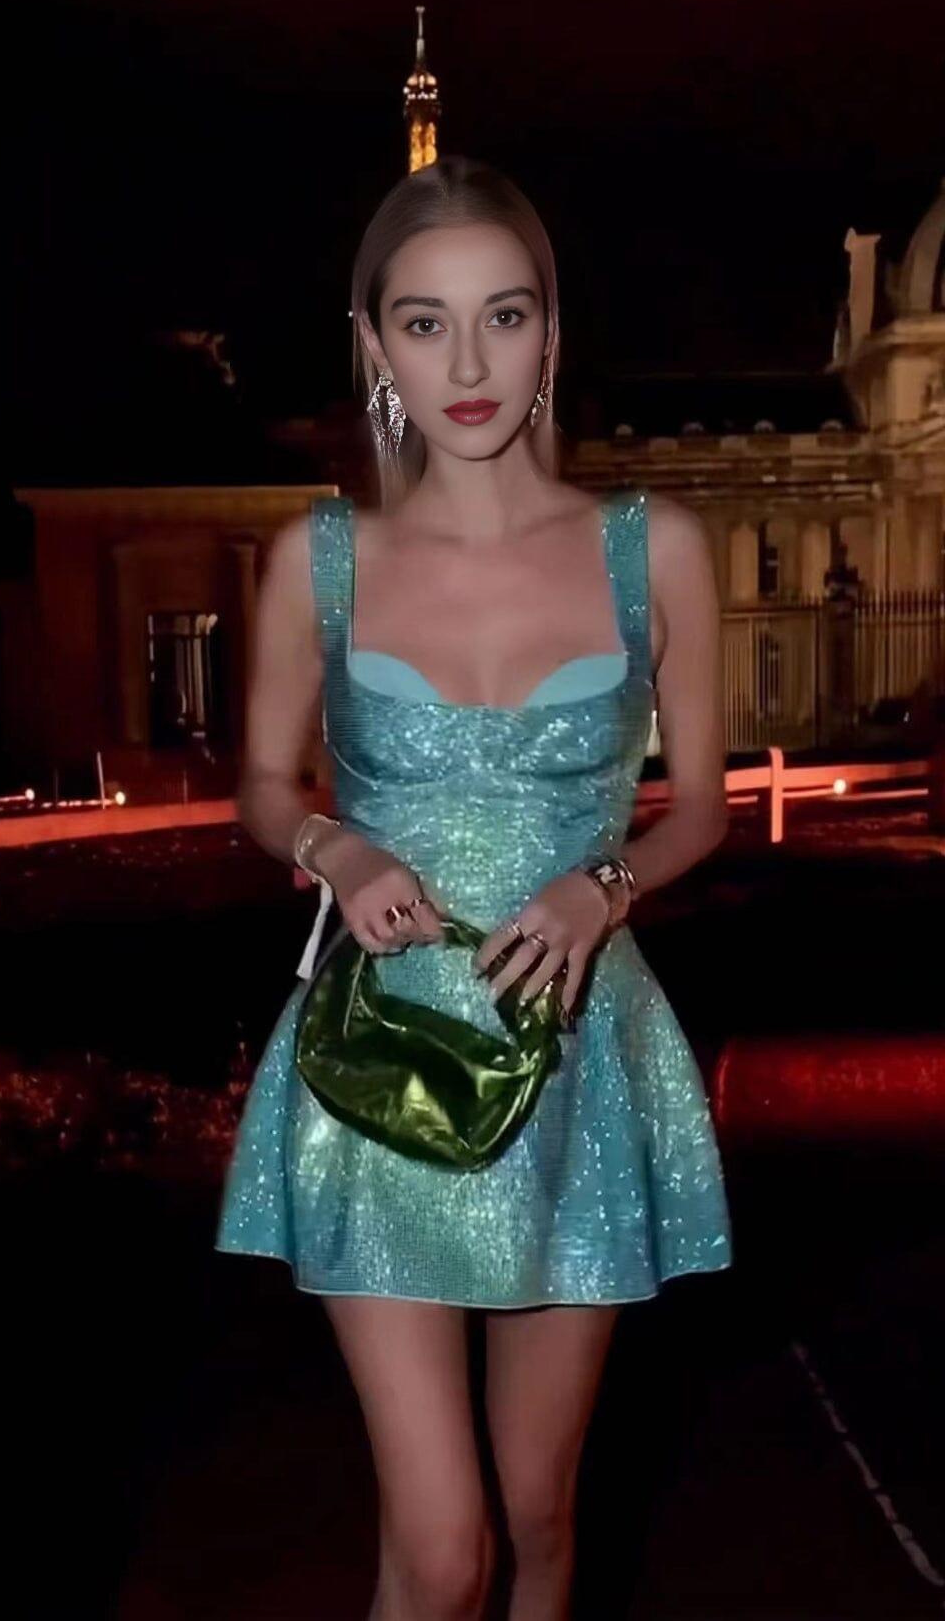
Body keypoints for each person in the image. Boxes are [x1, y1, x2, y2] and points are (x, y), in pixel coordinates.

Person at [216, 155, 733, 1621]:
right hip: (376, 1066)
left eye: (503, 317)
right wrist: (337, 847)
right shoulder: (320, 558)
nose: (467, 364)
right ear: (372, 342)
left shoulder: (654, 550)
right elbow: (263, 787)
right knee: (444, 1550)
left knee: (541, 1521)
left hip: (577, 1060)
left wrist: (603, 887)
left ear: (551, 331)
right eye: (424, 323)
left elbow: (701, 809)